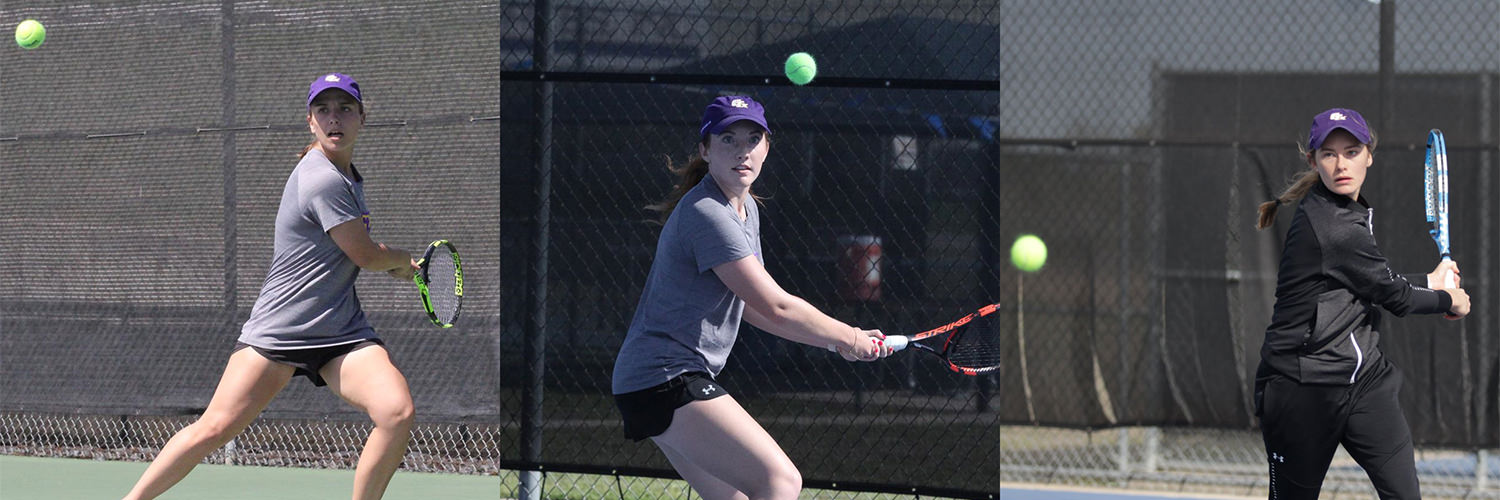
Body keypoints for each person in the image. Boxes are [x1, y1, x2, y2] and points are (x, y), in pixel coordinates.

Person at [124, 73, 420, 500]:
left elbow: (355, 252)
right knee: (214, 428)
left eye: (345, 109)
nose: (334, 118)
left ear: (361, 118)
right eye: (324, 110)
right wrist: (401, 260)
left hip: (341, 333)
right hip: (282, 331)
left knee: (396, 412)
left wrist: (393, 261)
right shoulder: (323, 179)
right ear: (310, 122)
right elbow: (367, 256)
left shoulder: (349, 175)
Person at [611, 95, 892, 500]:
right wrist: (848, 337)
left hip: (654, 379)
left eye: (752, 139)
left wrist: (836, 341)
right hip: (663, 378)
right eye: (728, 139)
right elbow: (775, 305)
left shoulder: (745, 210)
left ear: (766, 149)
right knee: (779, 481)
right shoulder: (708, 212)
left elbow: (752, 307)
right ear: (705, 150)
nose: (742, 151)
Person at [1253, 107, 1471, 500]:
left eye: (1351, 152)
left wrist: (1430, 281)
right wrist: (1448, 299)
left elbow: (1365, 282)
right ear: (1313, 160)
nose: (1341, 164)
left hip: (1364, 383)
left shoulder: (1350, 213)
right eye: (1329, 154)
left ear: (1369, 154)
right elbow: (1394, 296)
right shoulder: (1332, 225)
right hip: (1303, 389)